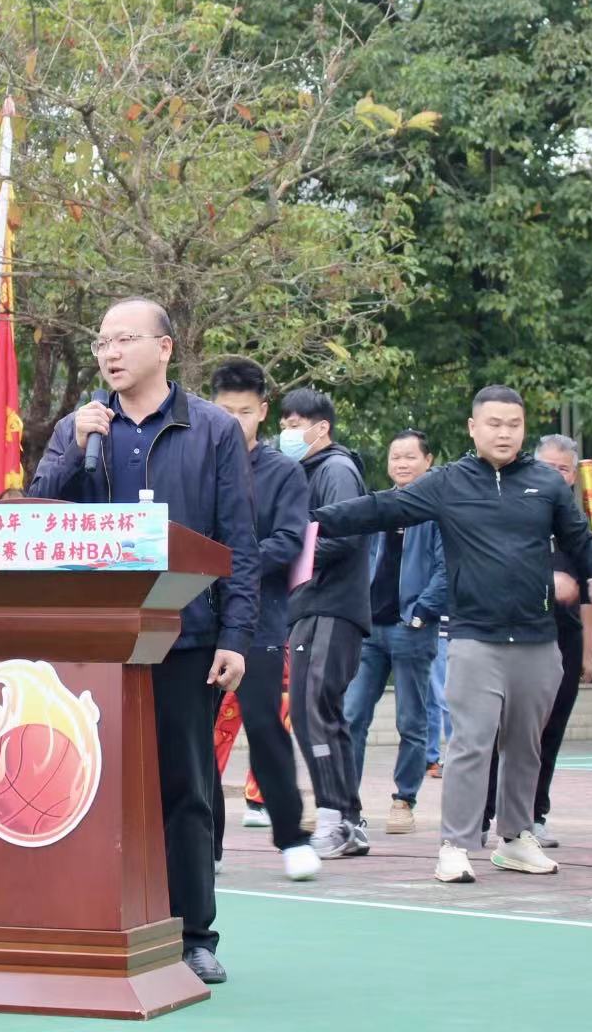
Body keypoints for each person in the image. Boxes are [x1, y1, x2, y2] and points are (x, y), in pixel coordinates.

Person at [312, 385, 592, 885]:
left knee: (525, 745)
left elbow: (581, 541)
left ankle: (515, 838)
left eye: (513, 424)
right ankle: (456, 844)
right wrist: (311, 520)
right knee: (471, 743)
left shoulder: (545, 483)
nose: (504, 433)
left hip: (537, 639)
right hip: (473, 638)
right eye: (494, 423)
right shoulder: (448, 482)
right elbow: (382, 508)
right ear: (473, 428)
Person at [29, 298, 257, 986]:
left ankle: (194, 935)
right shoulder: (79, 427)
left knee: (186, 789)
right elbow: (38, 514)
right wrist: (73, 450)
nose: (110, 352)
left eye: (124, 339)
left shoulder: (212, 429)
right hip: (94, 643)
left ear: (164, 348)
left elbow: (237, 542)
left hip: (184, 638)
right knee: (90, 787)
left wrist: (235, 635)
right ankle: (93, 921)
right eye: (102, 341)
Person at [206, 359, 320, 881]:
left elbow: (290, 541)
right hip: (199, 616)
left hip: (260, 620)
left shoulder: (283, 473)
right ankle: (205, 843)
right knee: (195, 733)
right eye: (225, 412)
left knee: (263, 725)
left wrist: (227, 562)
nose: (234, 422)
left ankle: (292, 837)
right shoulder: (198, 465)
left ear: (263, 412)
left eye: (245, 412)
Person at [278, 389, 371, 859]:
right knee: (315, 711)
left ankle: (337, 818)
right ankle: (346, 817)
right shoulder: (306, 471)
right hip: (311, 607)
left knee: (314, 708)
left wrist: (289, 551)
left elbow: (347, 534)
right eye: (284, 424)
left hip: (330, 606)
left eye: (295, 425)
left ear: (321, 428)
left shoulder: (335, 469)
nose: (287, 433)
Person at [484, 434, 591, 848]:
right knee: (498, 728)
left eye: (562, 469)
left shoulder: (576, 525)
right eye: (547, 466)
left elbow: (587, 594)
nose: (554, 475)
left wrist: (588, 655)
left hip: (563, 637)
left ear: (573, 477)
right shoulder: (510, 510)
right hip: (514, 634)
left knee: (551, 730)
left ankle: (534, 814)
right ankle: (483, 813)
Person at [343, 428, 445, 837]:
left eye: (410, 456)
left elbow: (447, 568)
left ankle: (404, 800)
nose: (401, 463)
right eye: (395, 457)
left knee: (411, 721)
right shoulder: (380, 505)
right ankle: (345, 804)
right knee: (351, 715)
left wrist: (422, 612)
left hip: (411, 629)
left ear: (428, 461)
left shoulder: (437, 509)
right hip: (369, 629)